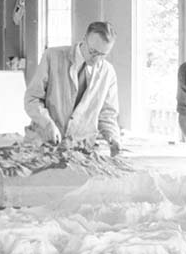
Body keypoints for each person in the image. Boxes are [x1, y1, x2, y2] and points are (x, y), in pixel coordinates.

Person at [24, 21, 122, 154]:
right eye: (93, 51)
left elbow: (107, 115)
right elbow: (32, 99)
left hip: (80, 148)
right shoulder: (52, 57)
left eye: (102, 54)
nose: (96, 59)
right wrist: (47, 124)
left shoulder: (108, 72)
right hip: (43, 142)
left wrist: (113, 138)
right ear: (84, 40)